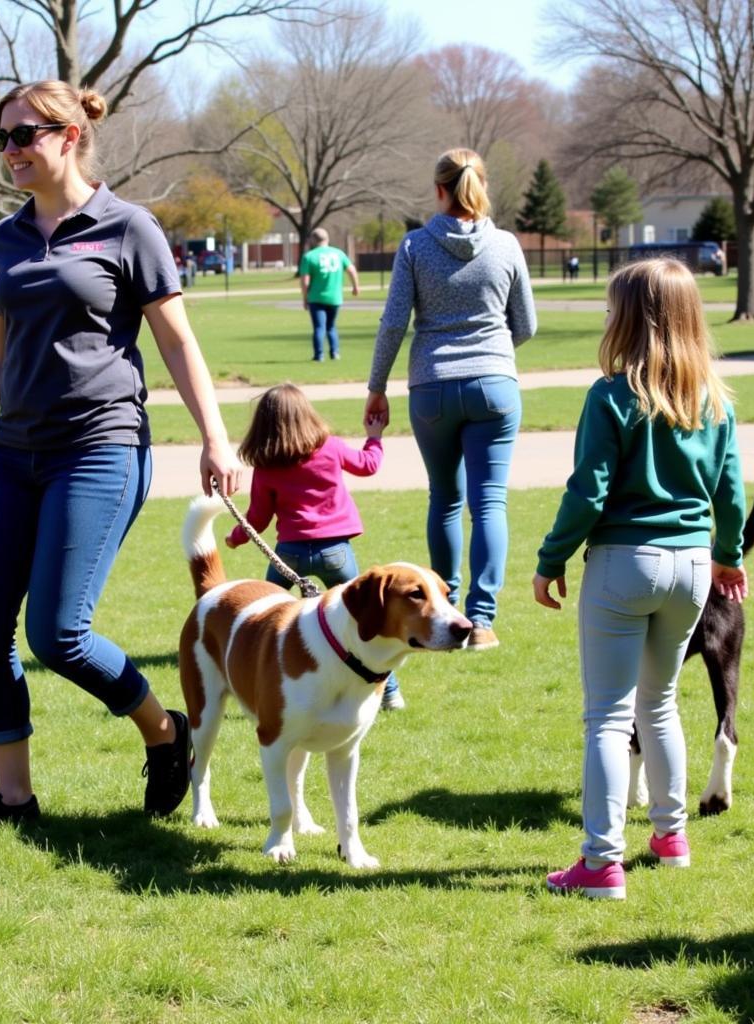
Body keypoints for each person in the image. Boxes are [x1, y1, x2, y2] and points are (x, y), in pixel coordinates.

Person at [0, 79, 241, 826]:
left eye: (23, 135)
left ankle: (166, 733)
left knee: (58, 633)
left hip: (100, 448)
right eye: (0, 138)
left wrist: (215, 438)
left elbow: (176, 339)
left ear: (69, 136)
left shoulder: (130, 227)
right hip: (14, 453)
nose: (9, 151)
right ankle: (14, 799)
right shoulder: (5, 239)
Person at [533, 258, 748, 901]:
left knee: (607, 715)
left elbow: (587, 491)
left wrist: (550, 560)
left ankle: (601, 863)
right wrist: (729, 554)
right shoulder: (715, 399)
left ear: (629, 320)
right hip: (689, 568)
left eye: (609, 309)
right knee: (660, 705)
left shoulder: (611, 395)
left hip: (624, 563)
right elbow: (730, 493)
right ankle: (670, 837)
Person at [364, 147, 537, 651]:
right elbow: (525, 324)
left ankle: (447, 607)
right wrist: (493, 350)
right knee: (490, 503)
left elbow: (394, 321)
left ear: (440, 189)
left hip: (432, 385)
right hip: (495, 386)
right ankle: (481, 620)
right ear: (481, 184)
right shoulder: (506, 246)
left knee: (445, 499)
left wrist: (377, 386)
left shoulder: (416, 246)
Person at [225, 382, 405, 710]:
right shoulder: (330, 447)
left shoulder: (267, 464)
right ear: (307, 414)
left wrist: (235, 537)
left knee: (262, 615)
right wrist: (374, 436)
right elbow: (368, 464)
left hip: (290, 555)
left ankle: (252, 668)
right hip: (337, 552)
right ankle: (390, 692)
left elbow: (257, 518)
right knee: (367, 618)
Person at [299, 227, 359, 361]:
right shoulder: (338, 254)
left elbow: (305, 280)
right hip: (335, 297)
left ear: (313, 240)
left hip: (316, 297)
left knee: (319, 327)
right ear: (327, 239)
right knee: (331, 326)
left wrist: (305, 297)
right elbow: (351, 270)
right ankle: (335, 353)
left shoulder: (309, 256)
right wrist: (355, 287)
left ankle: (319, 355)